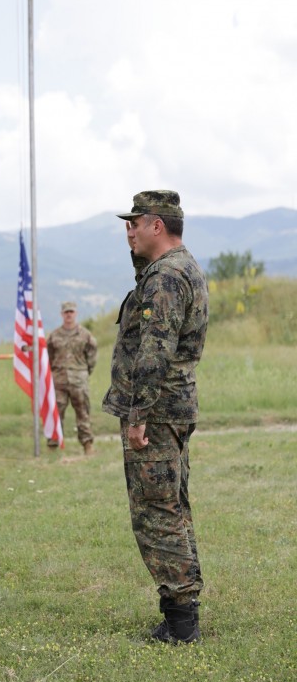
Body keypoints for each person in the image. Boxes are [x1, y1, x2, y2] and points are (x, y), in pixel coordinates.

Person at [102, 191, 209, 644]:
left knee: (156, 510)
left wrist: (138, 414)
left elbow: (155, 348)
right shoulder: (176, 267)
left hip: (157, 409)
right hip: (174, 406)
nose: (128, 230)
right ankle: (181, 612)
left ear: (157, 226)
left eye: (135, 223)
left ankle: (181, 623)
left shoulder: (166, 277)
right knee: (171, 505)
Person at [47, 301, 98, 454]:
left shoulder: (86, 335)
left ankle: (87, 445)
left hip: (79, 380)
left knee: (83, 412)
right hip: (59, 381)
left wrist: (83, 371)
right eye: (66, 312)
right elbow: (48, 357)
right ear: (62, 314)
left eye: (71, 312)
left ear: (75, 313)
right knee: (56, 413)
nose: (69, 315)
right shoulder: (54, 336)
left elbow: (92, 357)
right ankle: (53, 446)